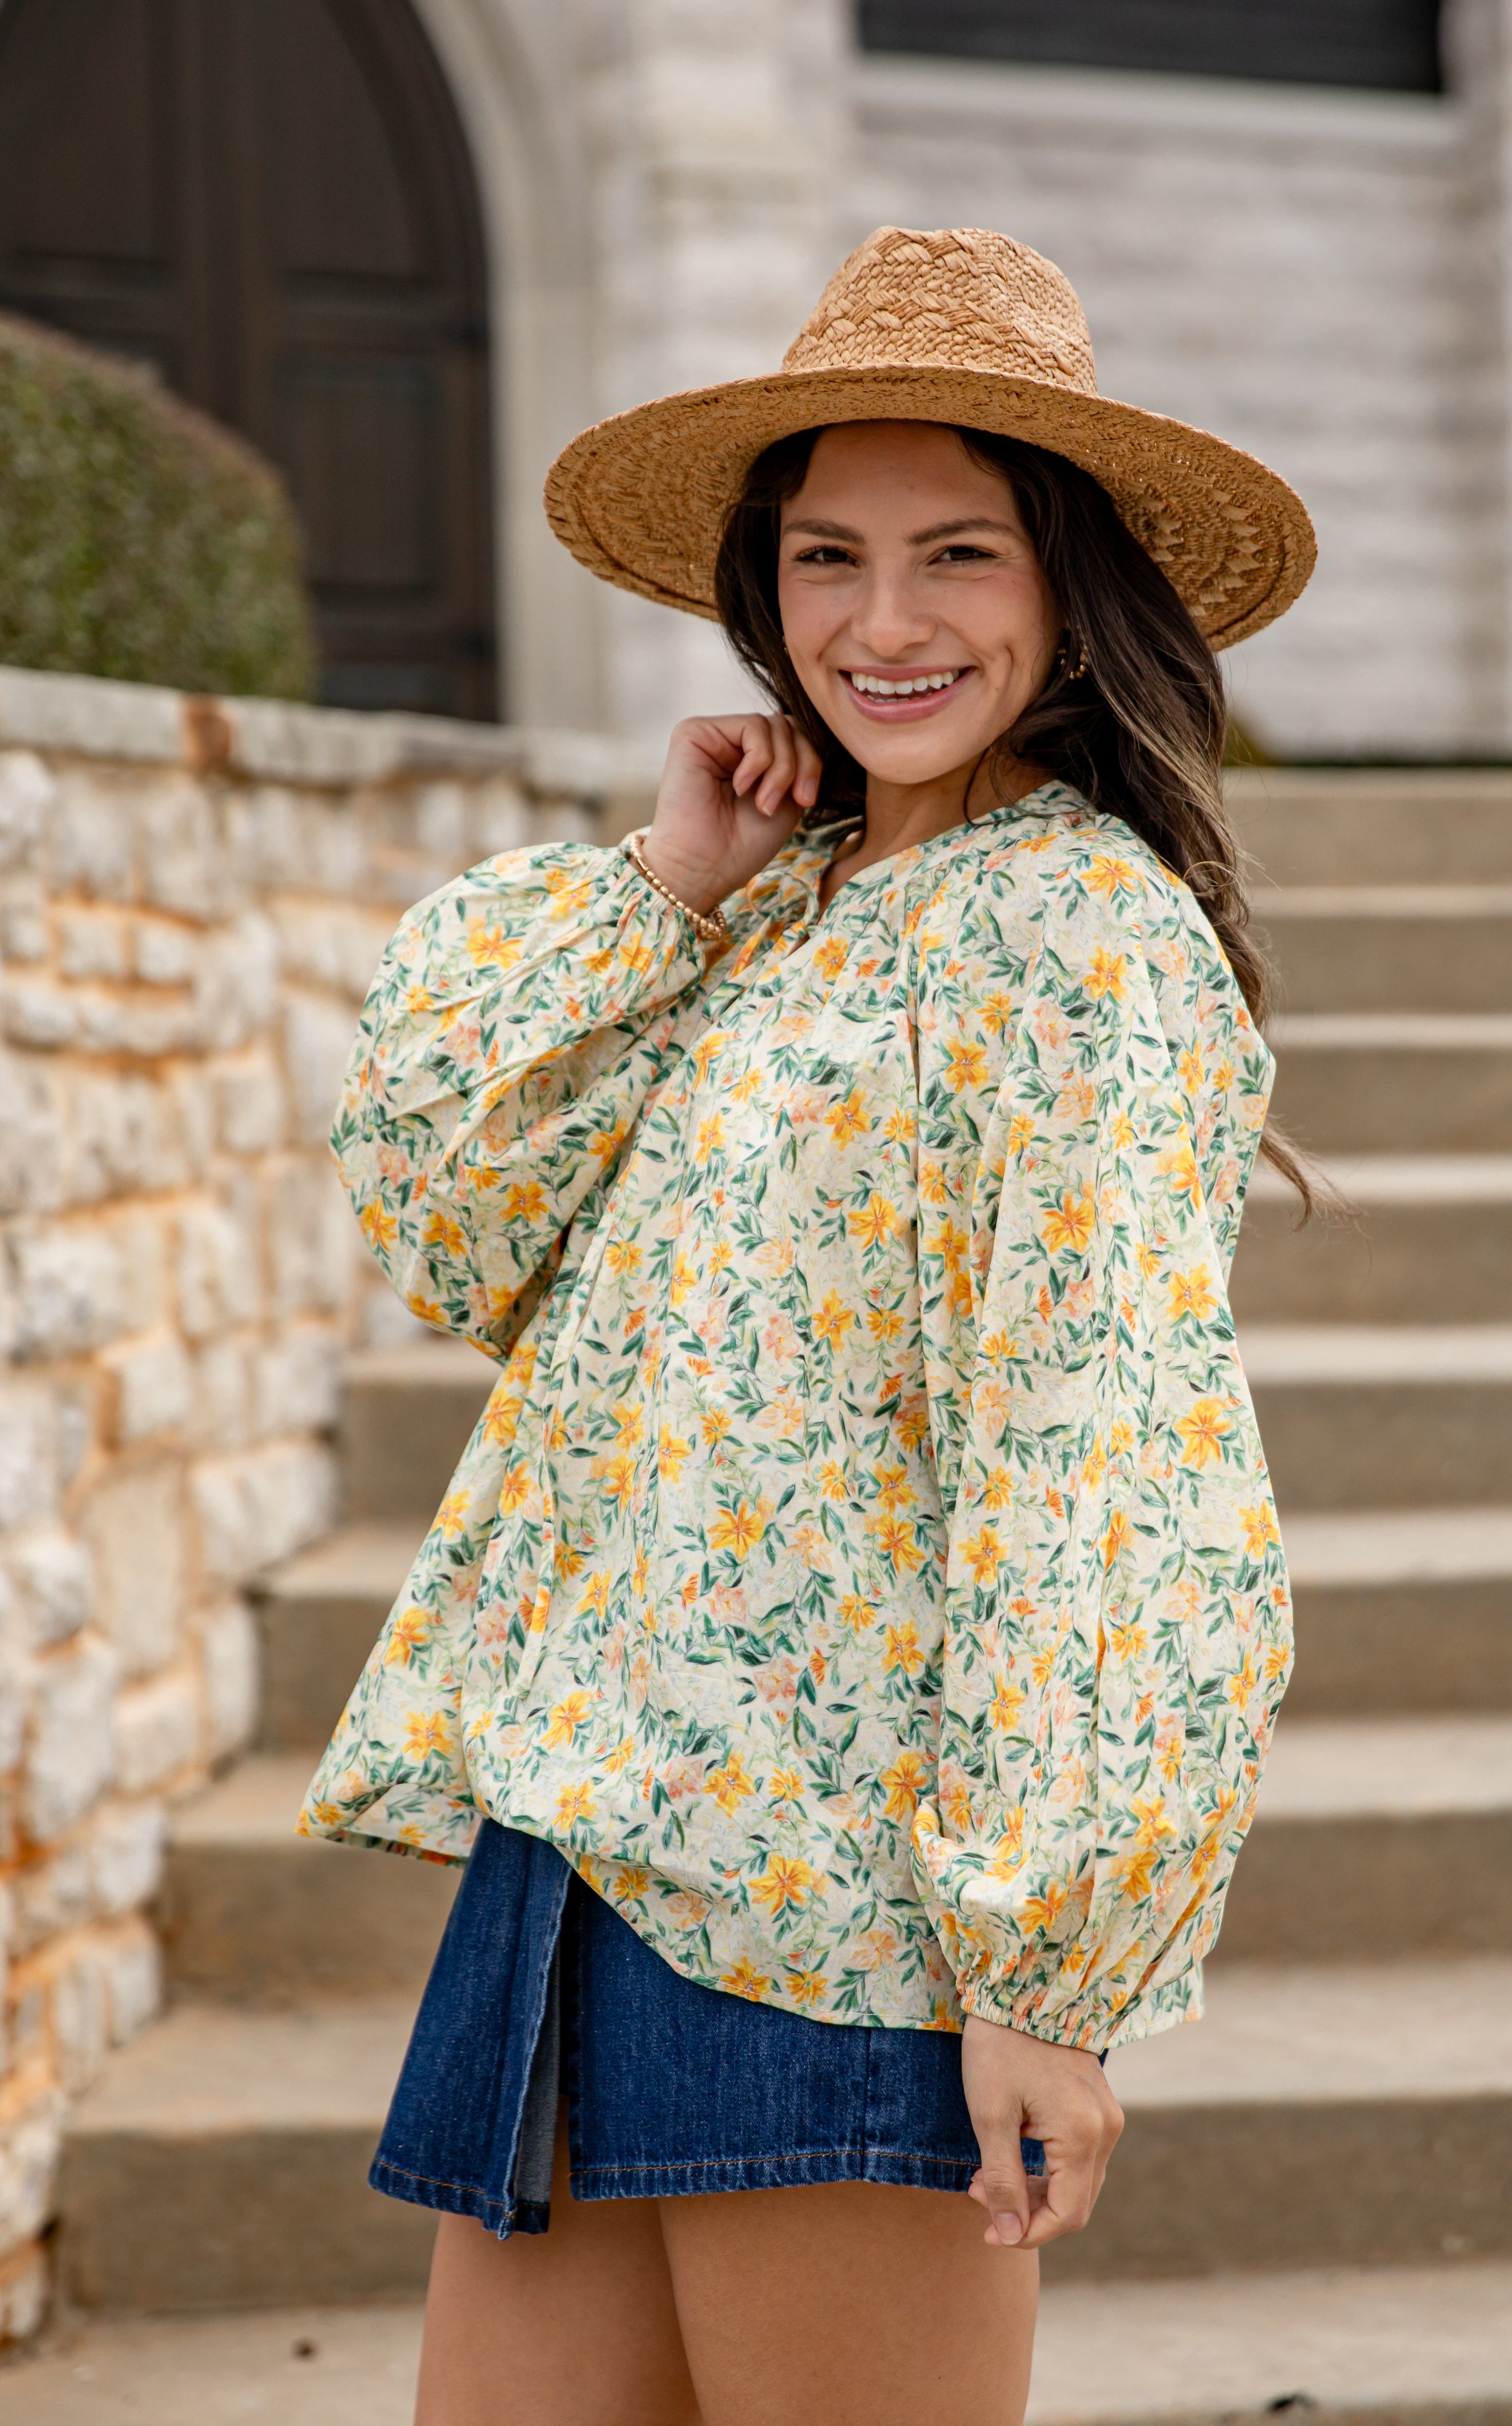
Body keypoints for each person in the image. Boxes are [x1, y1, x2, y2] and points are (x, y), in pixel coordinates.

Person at [300, 227, 1315, 2426]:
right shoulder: (764, 906)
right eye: (826, 557)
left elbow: (1099, 1470)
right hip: (580, 1863)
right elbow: (450, 1205)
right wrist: (665, 887)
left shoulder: (1080, 945)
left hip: (850, 1923)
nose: (881, 623)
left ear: (1066, 591)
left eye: (956, 552)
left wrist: (1047, 1968)